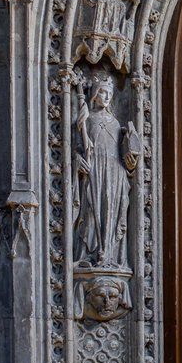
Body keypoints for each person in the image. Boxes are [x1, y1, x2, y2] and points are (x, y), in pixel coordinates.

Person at [73, 73, 139, 271]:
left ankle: (109, 254)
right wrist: (77, 160)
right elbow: (76, 147)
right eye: (102, 92)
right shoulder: (87, 120)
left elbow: (126, 158)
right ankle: (89, 256)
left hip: (114, 176)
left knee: (112, 213)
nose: (107, 96)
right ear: (93, 94)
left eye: (109, 92)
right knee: (91, 212)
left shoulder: (116, 123)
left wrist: (131, 161)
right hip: (94, 172)